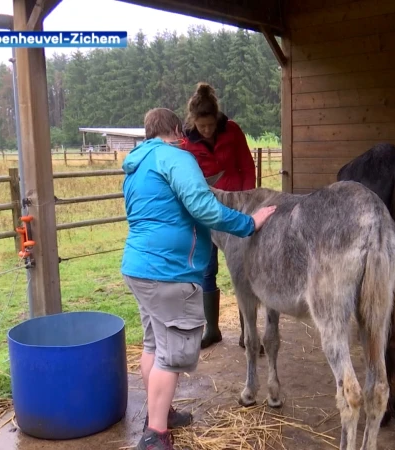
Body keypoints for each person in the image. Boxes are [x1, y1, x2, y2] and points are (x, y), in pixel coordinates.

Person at [121, 108, 276, 450]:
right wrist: (249, 223)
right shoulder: (176, 158)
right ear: (178, 131)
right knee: (170, 353)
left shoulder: (136, 165)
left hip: (138, 267)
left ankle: (158, 413)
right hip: (168, 272)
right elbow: (204, 207)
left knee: (152, 345)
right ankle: (156, 435)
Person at [180, 82, 257, 350]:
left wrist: (247, 201)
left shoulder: (232, 130)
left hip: (236, 209)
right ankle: (212, 330)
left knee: (243, 269)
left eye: (211, 125)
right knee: (207, 268)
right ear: (194, 122)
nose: (208, 130)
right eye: (203, 126)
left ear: (217, 118)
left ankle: (248, 333)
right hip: (206, 212)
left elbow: (246, 164)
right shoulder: (186, 142)